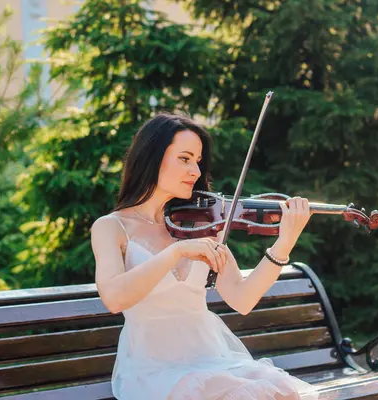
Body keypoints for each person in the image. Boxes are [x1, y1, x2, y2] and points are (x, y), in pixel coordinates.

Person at [91, 113, 321, 399]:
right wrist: (175, 252)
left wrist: (284, 243)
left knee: (282, 392)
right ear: (151, 157)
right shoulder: (111, 228)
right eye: (185, 159)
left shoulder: (200, 224)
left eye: (198, 161)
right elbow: (114, 297)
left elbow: (242, 298)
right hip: (155, 369)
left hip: (211, 357)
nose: (196, 172)